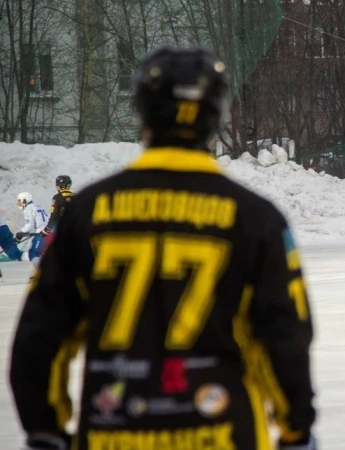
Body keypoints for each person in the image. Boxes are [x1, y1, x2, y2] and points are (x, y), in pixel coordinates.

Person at [9, 47, 318, 450]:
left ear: (142, 112)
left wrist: (44, 429)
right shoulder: (255, 217)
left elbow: (39, 337)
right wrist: (296, 427)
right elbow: (284, 334)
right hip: (225, 433)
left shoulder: (87, 212)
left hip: (112, 434)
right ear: (216, 114)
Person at [14, 192, 49, 268]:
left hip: (42, 234)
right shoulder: (38, 206)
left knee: (33, 253)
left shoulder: (28, 208)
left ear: (25, 200)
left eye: (19, 200)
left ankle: (40, 274)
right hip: (50, 232)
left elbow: (29, 225)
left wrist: (20, 234)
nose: (18, 203)